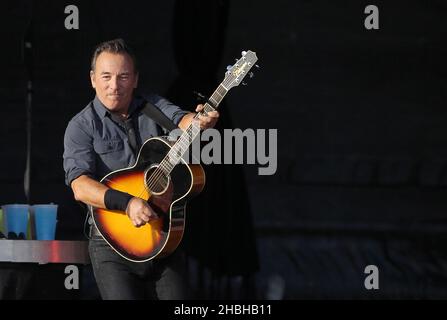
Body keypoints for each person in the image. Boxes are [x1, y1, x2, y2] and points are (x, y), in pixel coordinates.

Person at [63, 38, 219, 300]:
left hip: (163, 237)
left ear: (135, 79)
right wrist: (127, 203)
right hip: (110, 243)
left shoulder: (152, 105)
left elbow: (183, 120)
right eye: (106, 76)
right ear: (92, 79)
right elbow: (80, 187)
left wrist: (202, 121)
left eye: (123, 77)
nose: (114, 86)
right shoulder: (81, 126)